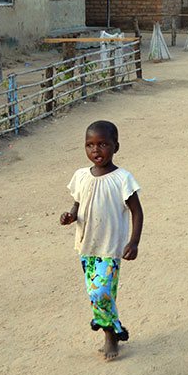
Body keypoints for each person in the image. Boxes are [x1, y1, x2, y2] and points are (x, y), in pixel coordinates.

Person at [60, 120, 144, 360]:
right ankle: (114, 328)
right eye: (90, 145)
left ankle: (110, 334)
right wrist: (69, 216)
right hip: (86, 246)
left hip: (110, 247)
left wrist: (134, 241)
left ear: (116, 146)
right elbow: (78, 203)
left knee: (101, 292)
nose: (96, 150)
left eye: (103, 144)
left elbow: (137, 211)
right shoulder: (80, 176)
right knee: (96, 293)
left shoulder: (122, 179)